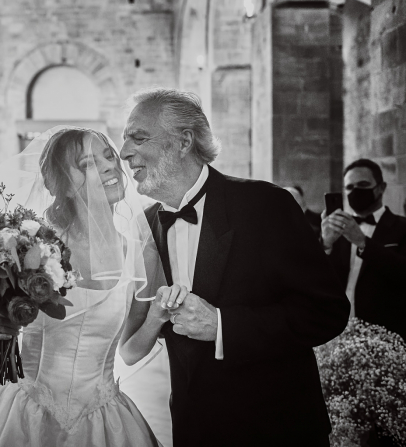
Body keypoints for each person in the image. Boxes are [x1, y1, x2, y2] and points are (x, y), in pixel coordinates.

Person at [120, 88, 350, 446]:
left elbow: (327, 312)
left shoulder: (265, 204)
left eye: (138, 138)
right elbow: (134, 338)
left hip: (276, 428)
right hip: (192, 428)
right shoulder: (147, 225)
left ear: (183, 141)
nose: (124, 153)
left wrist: (223, 325)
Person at [0, 127, 171, 447]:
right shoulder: (29, 245)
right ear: (65, 184)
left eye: (109, 156)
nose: (109, 167)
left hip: (103, 420)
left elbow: (130, 352)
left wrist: (157, 315)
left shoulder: (141, 252)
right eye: (88, 163)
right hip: (26, 414)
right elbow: (1, 323)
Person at [322, 158, 406, 340]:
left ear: (381, 188)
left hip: (387, 333)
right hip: (339, 333)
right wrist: (326, 245)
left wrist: (363, 243)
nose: (356, 191)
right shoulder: (336, 231)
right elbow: (317, 280)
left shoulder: (401, 227)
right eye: (350, 187)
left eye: (363, 184)